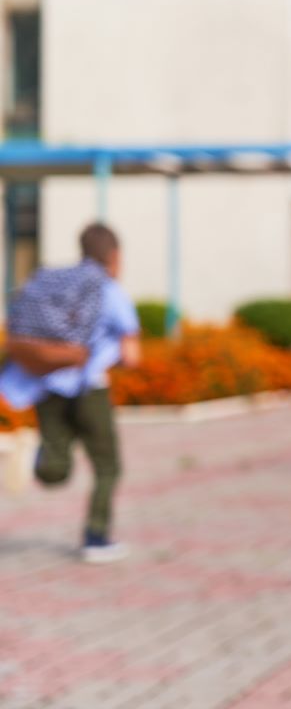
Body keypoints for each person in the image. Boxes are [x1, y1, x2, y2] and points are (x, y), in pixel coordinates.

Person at [0, 223, 141, 564]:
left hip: (45, 384)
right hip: (87, 387)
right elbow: (133, 355)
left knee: (56, 469)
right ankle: (96, 537)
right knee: (107, 466)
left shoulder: (53, 280)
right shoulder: (109, 289)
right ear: (115, 256)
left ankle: (42, 457)